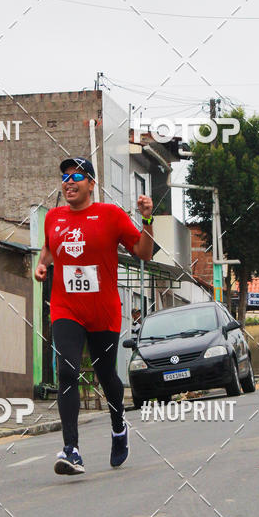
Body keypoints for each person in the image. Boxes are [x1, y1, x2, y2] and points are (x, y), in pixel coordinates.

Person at [35, 157, 154, 475]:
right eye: (65, 177)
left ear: (91, 183)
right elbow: (49, 248)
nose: (68, 182)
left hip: (103, 311)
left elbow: (143, 252)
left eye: (76, 176)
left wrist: (147, 220)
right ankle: (71, 450)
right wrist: (42, 264)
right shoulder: (53, 217)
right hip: (66, 308)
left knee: (107, 375)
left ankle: (118, 426)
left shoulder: (110, 215)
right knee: (67, 372)